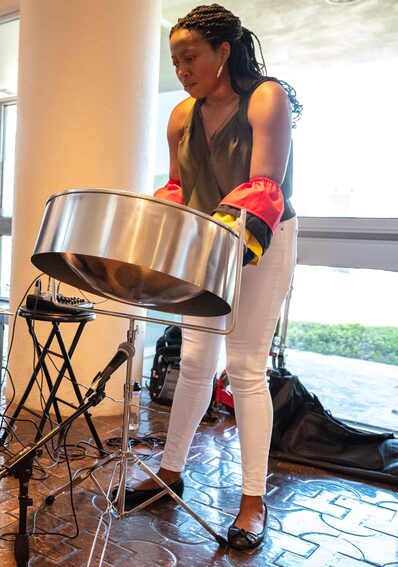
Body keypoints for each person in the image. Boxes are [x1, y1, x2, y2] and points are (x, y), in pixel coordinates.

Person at [120, 4, 300, 551]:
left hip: (260, 239)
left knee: (244, 367)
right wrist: (158, 218)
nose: (182, 69)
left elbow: (264, 184)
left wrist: (215, 238)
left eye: (190, 56)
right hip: (206, 243)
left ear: (224, 52)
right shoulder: (181, 115)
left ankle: (251, 500)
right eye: (174, 61)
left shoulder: (266, 97)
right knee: (195, 361)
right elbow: (179, 185)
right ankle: (171, 472)